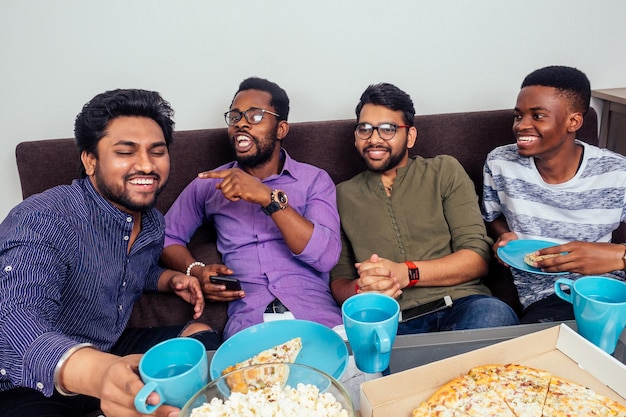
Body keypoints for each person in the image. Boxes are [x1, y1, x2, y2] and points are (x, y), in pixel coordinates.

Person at [0, 88, 221, 417]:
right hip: (29, 382)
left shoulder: (151, 225)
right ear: (90, 160)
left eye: (156, 151)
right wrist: (99, 373)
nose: (146, 164)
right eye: (125, 152)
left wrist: (169, 279)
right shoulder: (44, 218)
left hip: (108, 348)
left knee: (200, 343)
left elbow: (130, 269)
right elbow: (16, 318)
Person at [161, 77, 343, 340]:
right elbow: (165, 236)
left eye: (255, 116)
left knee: (357, 378)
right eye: (235, 117)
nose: (241, 123)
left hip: (317, 319)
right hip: (250, 326)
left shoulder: (314, 180)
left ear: (281, 129)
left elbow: (325, 256)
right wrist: (197, 270)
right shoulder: (209, 183)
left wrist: (267, 197)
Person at [330, 83, 519, 334]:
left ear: (410, 136)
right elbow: (339, 282)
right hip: (391, 322)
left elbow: (476, 258)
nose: (374, 139)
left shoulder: (443, 171)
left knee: (494, 314)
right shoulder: (342, 194)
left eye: (387, 129)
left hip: (464, 306)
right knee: (370, 351)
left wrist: (407, 273)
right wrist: (362, 288)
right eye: (364, 129)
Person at [482, 65, 626, 323]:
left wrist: (618, 256)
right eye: (518, 116)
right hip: (550, 293)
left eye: (538, 116)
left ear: (574, 121)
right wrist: (504, 235)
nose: (521, 126)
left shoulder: (617, 172)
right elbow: (491, 217)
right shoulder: (500, 163)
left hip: (613, 286)